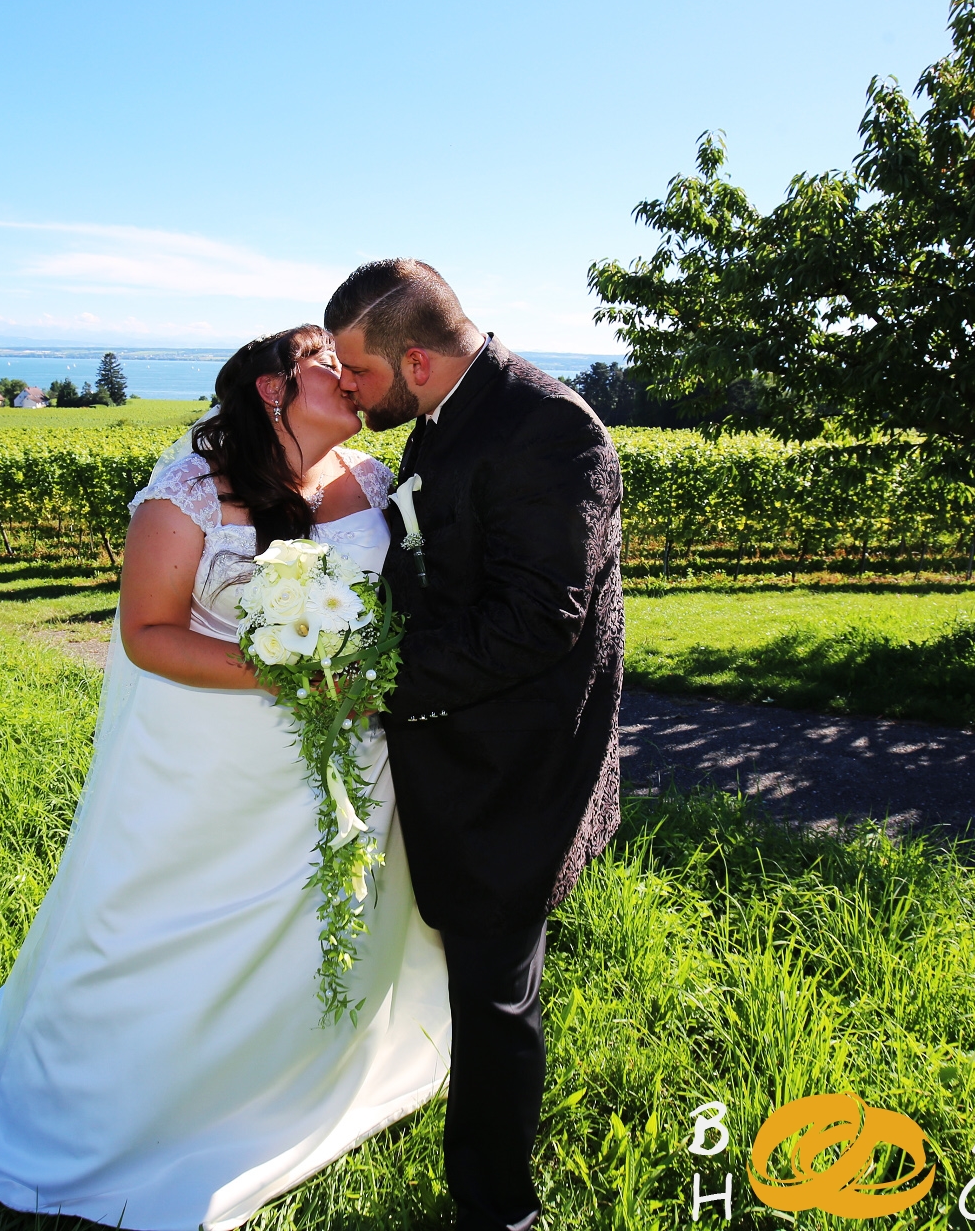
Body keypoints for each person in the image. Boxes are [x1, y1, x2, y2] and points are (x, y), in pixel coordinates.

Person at [0, 325, 451, 1230]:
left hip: (354, 754)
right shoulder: (186, 498)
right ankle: (139, 1105)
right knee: (172, 924)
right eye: (326, 361)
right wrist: (298, 675)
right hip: (217, 771)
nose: (349, 374)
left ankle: (296, 1079)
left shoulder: (372, 482)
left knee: (334, 915)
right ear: (269, 388)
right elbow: (150, 634)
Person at [326, 259, 625, 1231]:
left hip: (519, 773)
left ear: (415, 360)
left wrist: (371, 680)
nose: (346, 391)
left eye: (357, 374)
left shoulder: (551, 429)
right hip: (458, 758)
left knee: (497, 1002)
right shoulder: (440, 418)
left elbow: (538, 623)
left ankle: (499, 1212)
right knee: (477, 975)